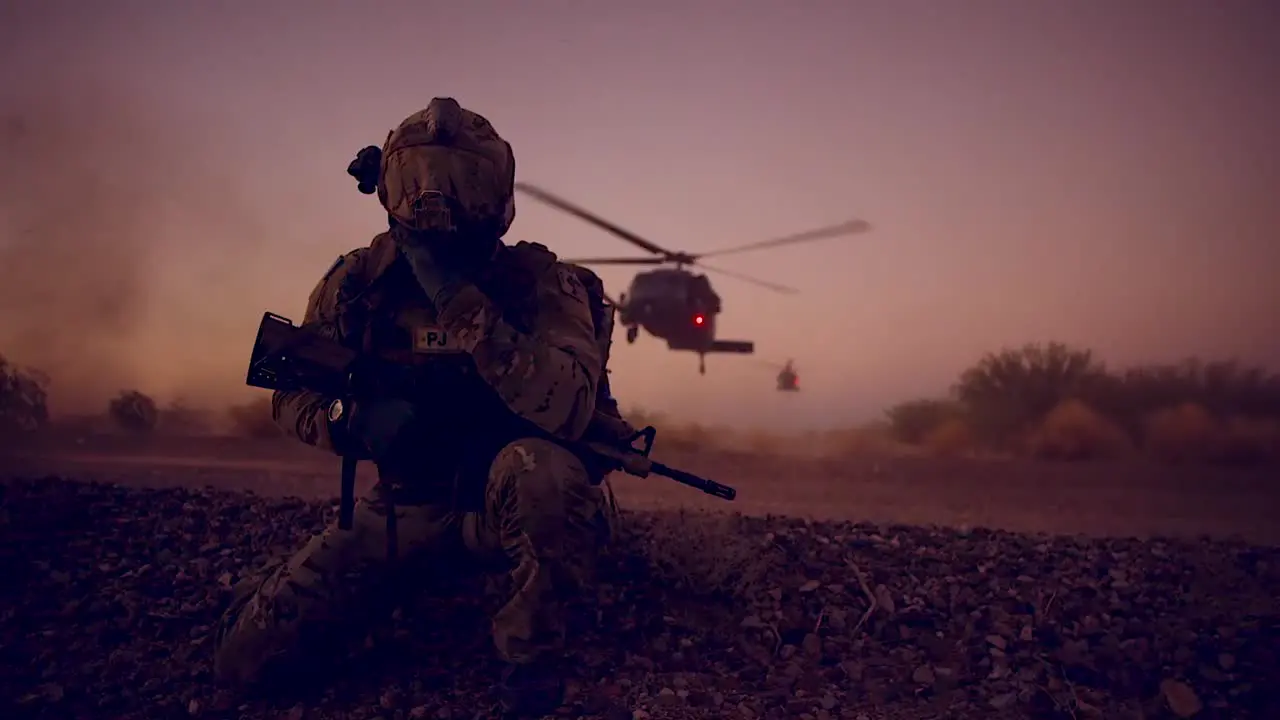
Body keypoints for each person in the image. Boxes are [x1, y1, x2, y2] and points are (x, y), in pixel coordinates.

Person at [212, 98, 628, 717]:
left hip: (503, 498)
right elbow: (288, 390)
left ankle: (529, 662)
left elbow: (567, 404)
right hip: (406, 503)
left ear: (499, 196)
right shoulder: (358, 283)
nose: (439, 204)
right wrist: (346, 421)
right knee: (244, 664)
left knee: (542, 476)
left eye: (467, 185)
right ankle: (402, 578)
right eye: (419, 183)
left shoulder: (546, 285)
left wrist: (455, 298)